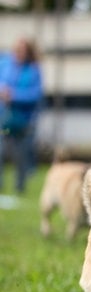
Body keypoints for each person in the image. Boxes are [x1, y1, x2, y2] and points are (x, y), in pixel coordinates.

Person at [0, 37, 44, 195]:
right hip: (4, 119)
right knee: (1, 150)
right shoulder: (5, 63)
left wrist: (14, 95)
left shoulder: (33, 69)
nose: (18, 52)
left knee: (20, 156)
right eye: (16, 48)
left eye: (22, 49)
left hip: (23, 120)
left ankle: (20, 188)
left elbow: (35, 95)